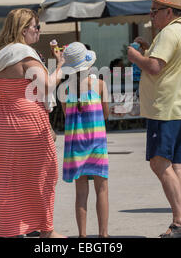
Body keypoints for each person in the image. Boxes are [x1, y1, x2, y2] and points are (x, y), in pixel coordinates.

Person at [0, 8, 65, 238]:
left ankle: (9, 228)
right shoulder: (26, 55)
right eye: (36, 27)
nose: (39, 31)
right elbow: (47, 86)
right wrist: (59, 67)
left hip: (3, 120)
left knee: (6, 176)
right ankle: (45, 230)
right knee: (44, 174)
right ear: (24, 29)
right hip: (29, 119)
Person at [127, 0, 181, 238]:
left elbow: (155, 67)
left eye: (155, 11)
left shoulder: (169, 33)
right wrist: (147, 51)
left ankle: (180, 221)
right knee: (177, 166)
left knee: (159, 163)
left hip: (165, 108)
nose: (151, 16)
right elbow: (170, 65)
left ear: (169, 11)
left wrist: (135, 56)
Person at [60, 42, 110, 238]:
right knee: (102, 190)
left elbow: (67, 116)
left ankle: (82, 236)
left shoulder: (64, 89)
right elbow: (105, 114)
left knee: (80, 193)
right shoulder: (99, 84)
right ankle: (103, 236)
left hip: (75, 145)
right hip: (97, 143)